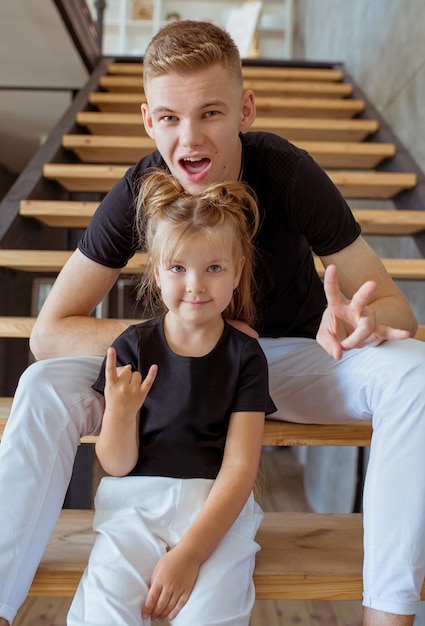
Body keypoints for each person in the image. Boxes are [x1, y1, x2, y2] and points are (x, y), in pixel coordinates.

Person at [0, 18, 424, 626]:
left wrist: (360, 322)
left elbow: (394, 306)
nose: (190, 137)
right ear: (149, 120)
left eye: (211, 113)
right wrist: (169, 344)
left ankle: (388, 614)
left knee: (413, 372)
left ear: (245, 110)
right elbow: (50, 332)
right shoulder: (140, 187)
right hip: (173, 367)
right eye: (170, 117)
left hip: (288, 360)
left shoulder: (287, 172)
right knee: (42, 384)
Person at [66, 171, 276, 625]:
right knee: (105, 609)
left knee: (211, 614)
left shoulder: (246, 357)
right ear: (157, 271)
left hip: (215, 508)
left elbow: (240, 469)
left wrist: (191, 554)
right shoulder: (132, 347)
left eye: (214, 268)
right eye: (178, 268)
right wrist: (120, 414)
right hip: (135, 505)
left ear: (238, 270)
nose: (195, 285)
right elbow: (116, 465)